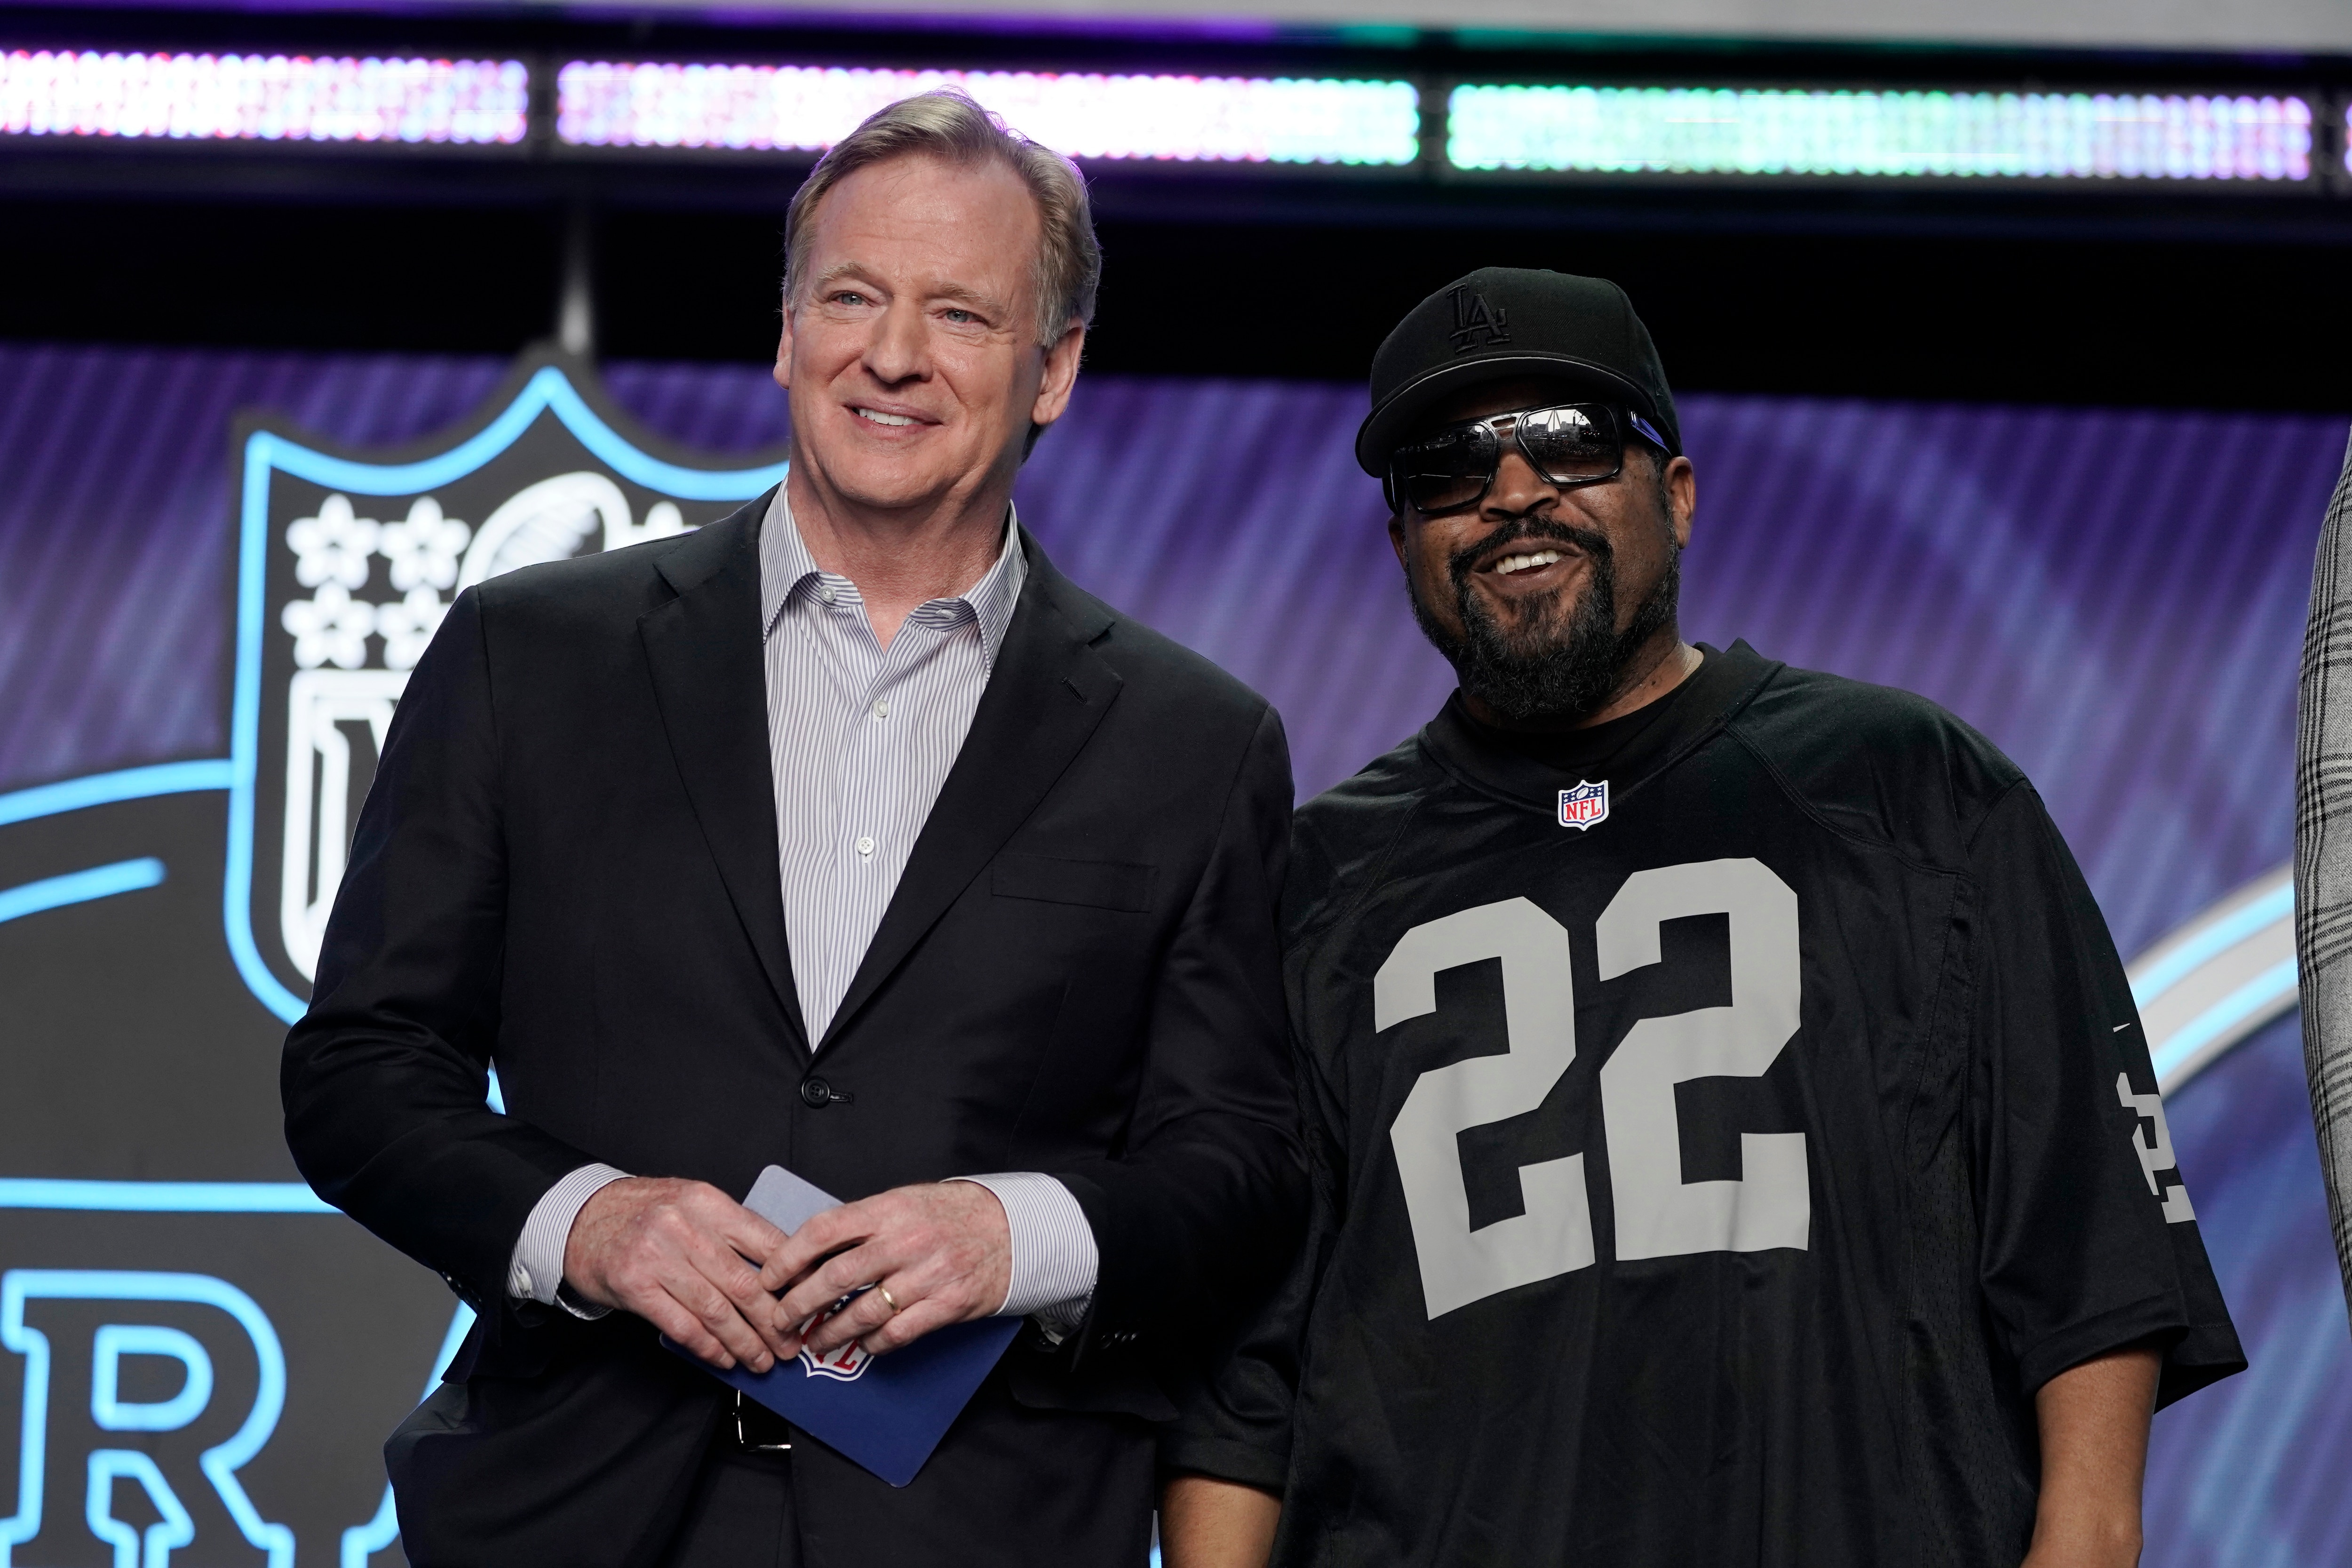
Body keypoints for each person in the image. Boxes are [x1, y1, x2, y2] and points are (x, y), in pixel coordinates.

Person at [282, 91, 1303, 1567]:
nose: (892, 355)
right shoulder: (532, 655)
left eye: (959, 313)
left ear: (1054, 367)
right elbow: (360, 1070)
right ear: (784, 329)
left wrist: (1019, 1235)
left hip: (977, 1527)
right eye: (852, 297)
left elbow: (1245, 1168)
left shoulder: (1193, 743)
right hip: (572, 1511)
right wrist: (588, 1222)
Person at [1158, 267, 2244, 1568]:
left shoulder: (1913, 788)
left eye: (1569, 441)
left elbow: (2088, 1253)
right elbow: (1241, 1394)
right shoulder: (1316, 881)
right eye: (1449, 469)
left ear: (1676, 496)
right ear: (1402, 544)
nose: (1513, 495)